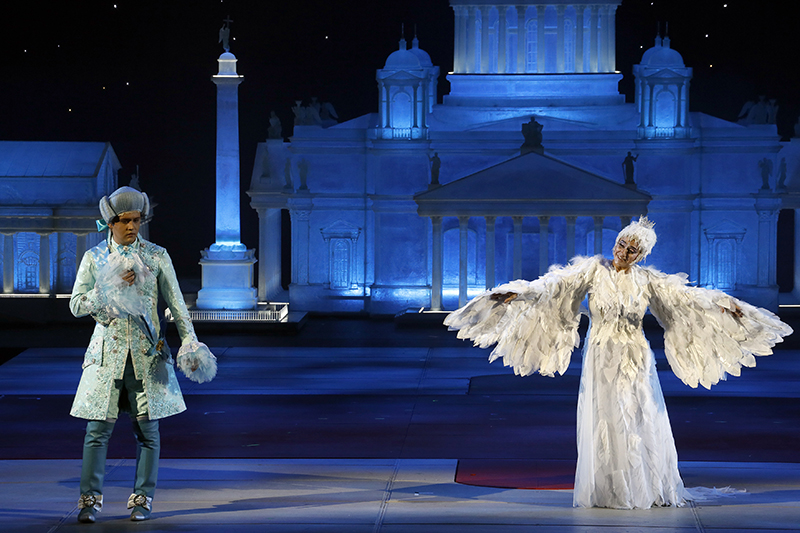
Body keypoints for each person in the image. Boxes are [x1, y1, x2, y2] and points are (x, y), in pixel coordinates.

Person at [445, 217, 791, 509]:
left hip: (635, 355)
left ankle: (641, 485)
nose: (622, 253)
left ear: (641, 255)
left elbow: (686, 298)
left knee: (638, 414)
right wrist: (519, 293)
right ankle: (608, 489)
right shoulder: (593, 270)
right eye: (621, 244)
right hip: (601, 353)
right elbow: (554, 286)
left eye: (631, 250)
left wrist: (721, 304)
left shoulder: (647, 280)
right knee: (606, 416)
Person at [70, 186, 216, 523]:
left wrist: (190, 343)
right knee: (97, 431)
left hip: (146, 355)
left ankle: (143, 498)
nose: (132, 226)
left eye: (137, 219)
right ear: (110, 222)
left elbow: (178, 305)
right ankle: (90, 500)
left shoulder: (156, 255)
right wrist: (107, 287)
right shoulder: (95, 258)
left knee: (148, 431)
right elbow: (76, 305)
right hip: (107, 355)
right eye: (125, 220)